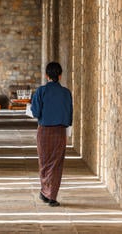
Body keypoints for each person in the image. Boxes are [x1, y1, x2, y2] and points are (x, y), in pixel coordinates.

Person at [31, 62, 73, 207]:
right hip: (60, 131)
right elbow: (69, 115)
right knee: (56, 164)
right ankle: (50, 195)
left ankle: (46, 192)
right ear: (60, 76)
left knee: (44, 163)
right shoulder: (66, 93)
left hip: (44, 131)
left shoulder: (41, 91)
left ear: (46, 75)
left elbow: (35, 112)